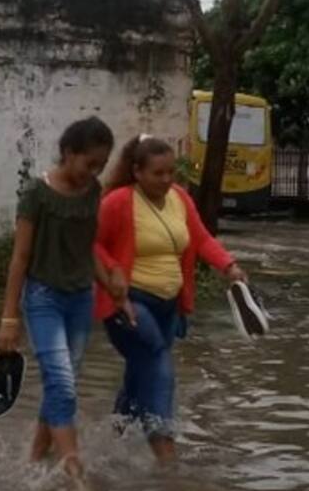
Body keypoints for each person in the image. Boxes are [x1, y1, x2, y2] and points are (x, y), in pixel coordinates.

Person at [94, 135, 246, 462]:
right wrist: (112, 272)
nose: (166, 180)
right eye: (157, 174)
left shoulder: (179, 198)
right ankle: (166, 453)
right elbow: (91, 244)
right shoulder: (118, 202)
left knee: (140, 373)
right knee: (158, 363)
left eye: (171, 173)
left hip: (168, 306)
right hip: (130, 303)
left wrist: (228, 265)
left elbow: (201, 238)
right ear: (137, 171)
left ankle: (111, 444)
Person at [0, 116, 124, 480]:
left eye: (100, 165)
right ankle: (72, 466)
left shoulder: (93, 192)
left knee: (60, 382)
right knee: (62, 383)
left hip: (80, 298)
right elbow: (19, 258)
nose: (93, 171)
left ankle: (35, 457)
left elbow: (87, 250)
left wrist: (110, 284)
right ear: (68, 153)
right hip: (43, 298)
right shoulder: (36, 194)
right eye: (89, 163)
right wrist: (9, 318)